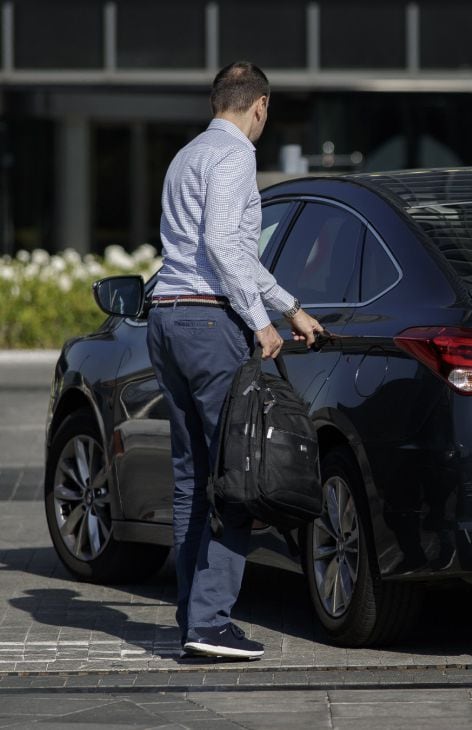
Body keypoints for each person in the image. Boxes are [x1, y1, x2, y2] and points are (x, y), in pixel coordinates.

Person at [148, 61, 323, 660]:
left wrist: (289, 306)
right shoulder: (236, 156)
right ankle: (212, 622)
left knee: (192, 478)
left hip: (167, 318)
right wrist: (260, 321)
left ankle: (193, 618)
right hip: (206, 322)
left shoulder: (187, 155)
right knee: (239, 472)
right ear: (261, 107)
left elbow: (215, 251)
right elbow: (226, 245)